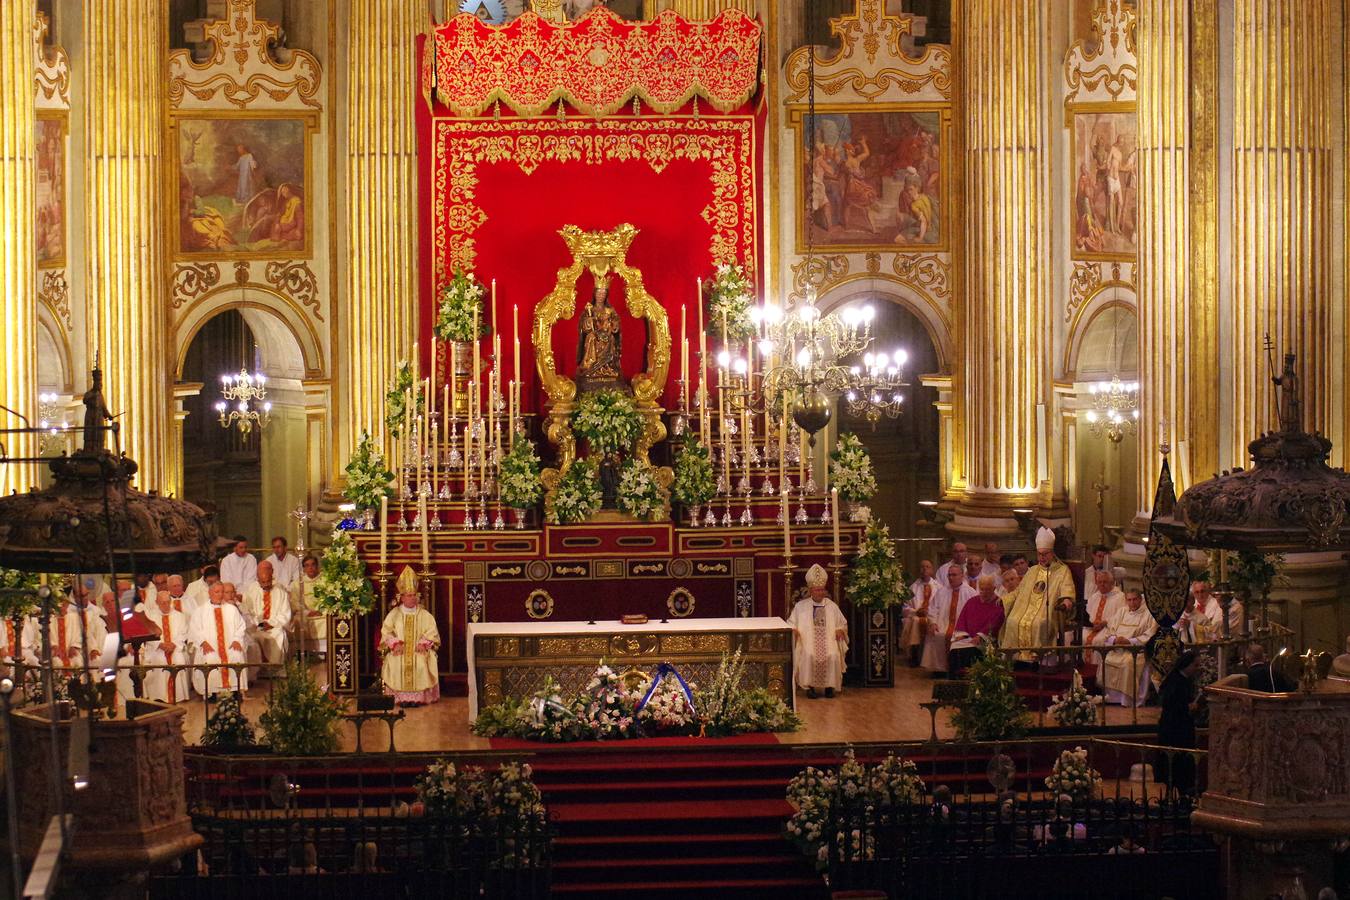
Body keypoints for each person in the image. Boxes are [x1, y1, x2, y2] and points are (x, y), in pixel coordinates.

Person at [999, 527, 1076, 663]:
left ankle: (1039, 661)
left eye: (1045, 554)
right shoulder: (1032, 570)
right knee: (1012, 621)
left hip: (1050, 610)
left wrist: (1066, 601)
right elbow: (1019, 591)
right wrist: (1004, 600)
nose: (1042, 557)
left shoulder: (1062, 571)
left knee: (1039, 623)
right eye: (1039, 554)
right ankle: (1017, 661)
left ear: (1052, 553)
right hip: (1026, 610)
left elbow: (1067, 589)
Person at [380, 567, 441, 707]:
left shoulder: (424, 614)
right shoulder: (394, 614)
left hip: (418, 650)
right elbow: (386, 631)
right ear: (401, 597)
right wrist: (395, 644)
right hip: (400, 650)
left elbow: (432, 631)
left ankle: (417, 699)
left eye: (414, 595)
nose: (413, 598)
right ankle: (401, 699)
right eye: (409, 595)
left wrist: (423, 643)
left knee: (420, 662)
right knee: (397, 663)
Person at [788, 564, 848, 698]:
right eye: (817, 590)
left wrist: (840, 630)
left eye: (822, 590)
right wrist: (794, 630)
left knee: (832, 655)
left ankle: (829, 687)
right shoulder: (801, 606)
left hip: (829, 639)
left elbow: (842, 623)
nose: (820, 592)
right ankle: (810, 687)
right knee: (808, 655)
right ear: (811, 590)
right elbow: (791, 623)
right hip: (807, 640)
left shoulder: (832, 606)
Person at [1097, 589, 1158, 707]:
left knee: (1127, 663)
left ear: (1140, 599)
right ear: (1126, 601)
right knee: (1106, 659)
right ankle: (1112, 698)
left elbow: (1149, 635)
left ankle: (1127, 700)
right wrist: (1114, 640)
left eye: (1135, 599)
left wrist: (1129, 641)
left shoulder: (1149, 614)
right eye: (1129, 600)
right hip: (1118, 648)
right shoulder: (1122, 611)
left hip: (1136, 651)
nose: (1132, 602)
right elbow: (1110, 630)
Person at [188, 582, 250, 695]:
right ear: (209, 593)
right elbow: (194, 629)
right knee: (211, 658)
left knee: (236, 655)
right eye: (217, 592)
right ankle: (211, 692)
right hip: (209, 646)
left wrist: (237, 640)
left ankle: (235, 690)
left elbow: (241, 626)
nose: (220, 595)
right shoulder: (200, 611)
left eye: (222, 591)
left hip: (230, 645)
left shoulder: (232, 609)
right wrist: (203, 642)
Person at [1156, 650, 1201, 795]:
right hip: (1174, 729)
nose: (1197, 668)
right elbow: (1169, 703)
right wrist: (1187, 706)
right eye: (1195, 665)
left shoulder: (1184, 680)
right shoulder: (1175, 680)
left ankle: (1183, 790)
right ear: (1186, 665)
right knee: (1174, 763)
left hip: (1182, 728)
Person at [241, 561, 292, 675]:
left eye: (268, 581)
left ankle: (275, 671)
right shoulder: (250, 591)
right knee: (252, 637)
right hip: (256, 626)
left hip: (275, 626)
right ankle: (259, 671)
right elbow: (247, 612)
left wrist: (271, 623)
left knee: (279, 635)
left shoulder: (280, 591)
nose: (266, 584)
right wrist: (258, 623)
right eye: (263, 582)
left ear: (272, 577)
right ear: (258, 579)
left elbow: (285, 614)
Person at [922, 565, 976, 675]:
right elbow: (932, 609)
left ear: (962, 575)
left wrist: (968, 629)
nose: (951, 577)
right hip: (942, 624)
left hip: (962, 628)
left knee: (958, 638)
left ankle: (957, 669)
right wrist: (933, 623)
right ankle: (939, 669)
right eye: (949, 575)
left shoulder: (971, 592)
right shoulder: (941, 591)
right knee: (937, 635)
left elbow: (975, 614)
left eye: (954, 575)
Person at [948, 575, 1006, 675]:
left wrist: (980, 636)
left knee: (970, 650)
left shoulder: (998, 603)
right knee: (955, 648)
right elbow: (963, 619)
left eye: (987, 589)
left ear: (994, 588)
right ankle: (955, 681)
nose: (983, 592)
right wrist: (961, 634)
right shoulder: (972, 601)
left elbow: (996, 623)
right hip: (968, 637)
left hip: (986, 640)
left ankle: (972, 680)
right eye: (981, 589)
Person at [143, 589, 189, 704]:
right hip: (157, 649)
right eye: (162, 602)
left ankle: (177, 695)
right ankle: (160, 695)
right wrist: (160, 644)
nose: (166, 605)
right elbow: (148, 634)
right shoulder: (150, 617)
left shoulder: (179, 616)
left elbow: (183, 633)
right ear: (157, 602)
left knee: (178, 660)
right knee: (159, 660)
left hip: (175, 648)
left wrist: (174, 644)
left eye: (168, 602)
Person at [901, 560, 939, 665]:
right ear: (919, 570)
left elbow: (940, 606)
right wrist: (916, 611)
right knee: (915, 622)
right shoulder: (912, 588)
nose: (925, 569)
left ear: (932, 570)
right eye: (922, 567)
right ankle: (915, 655)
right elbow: (905, 607)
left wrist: (930, 613)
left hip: (932, 617)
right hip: (916, 616)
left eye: (927, 567)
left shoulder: (938, 587)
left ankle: (931, 658)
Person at [1082, 569, 1126, 649]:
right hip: (1091, 628)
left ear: (1112, 583)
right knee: (1078, 637)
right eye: (1100, 582)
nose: (1102, 584)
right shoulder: (1094, 596)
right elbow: (1087, 614)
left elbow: (1121, 616)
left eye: (1105, 582)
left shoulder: (1120, 597)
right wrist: (1091, 624)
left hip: (1108, 628)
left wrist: (1105, 623)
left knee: (1099, 640)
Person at [296, 553, 326, 652]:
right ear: (303, 569)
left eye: (313, 564)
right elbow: (294, 603)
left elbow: (329, 599)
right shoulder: (297, 583)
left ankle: (325, 651)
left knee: (328, 620)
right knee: (297, 621)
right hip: (305, 614)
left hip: (322, 613)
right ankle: (305, 653)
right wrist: (308, 612)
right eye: (307, 565)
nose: (310, 568)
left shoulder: (325, 580)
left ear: (317, 566)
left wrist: (320, 611)